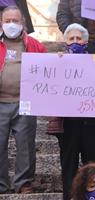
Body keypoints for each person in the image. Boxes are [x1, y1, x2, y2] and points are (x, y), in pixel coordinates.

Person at [48, 23, 95, 200]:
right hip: (68, 124)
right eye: (71, 38)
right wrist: (57, 62)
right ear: (65, 42)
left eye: (78, 38)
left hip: (93, 124)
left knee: (94, 167)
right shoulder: (59, 62)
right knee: (68, 167)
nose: (75, 41)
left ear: (86, 42)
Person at [0, 6, 46, 194]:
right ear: (1, 23)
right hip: (1, 101)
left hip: (25, 102)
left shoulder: (35, 45)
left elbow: (48, 70)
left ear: (22, 23)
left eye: (15, 21)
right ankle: (1, 185)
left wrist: (60, 59)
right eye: (7, 20)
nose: (11, 24)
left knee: (26, 144)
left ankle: (23, 182)